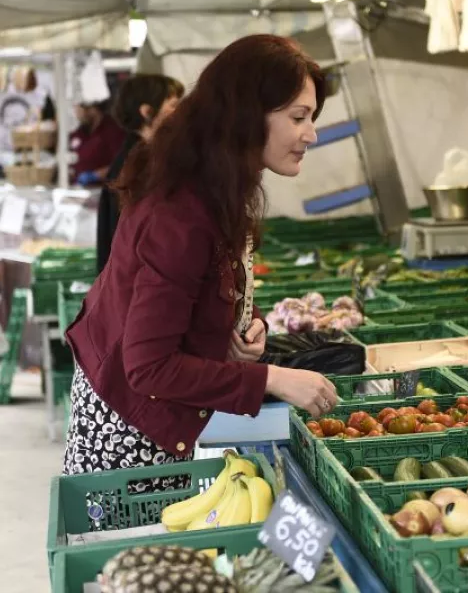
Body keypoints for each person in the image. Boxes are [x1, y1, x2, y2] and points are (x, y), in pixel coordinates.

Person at [63, 35, 338, 485]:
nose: (311, 133)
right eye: (298, 117)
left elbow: (208, 282)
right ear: (248, 117)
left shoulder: (217, 184)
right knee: (142, 553)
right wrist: (271, 377)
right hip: (129, 431)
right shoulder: (181, 214)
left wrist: (248, 324)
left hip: (153, 413)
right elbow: (148, 366)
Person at [96, 74, 185, 274]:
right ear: (147, 112)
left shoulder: (146, 156)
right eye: (173, 105)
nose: (181, 113)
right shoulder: (136, 166)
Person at [69, 99, 126, 186]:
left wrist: (95, 175)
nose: (77, 114)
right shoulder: (79, 132)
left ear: (92, 109)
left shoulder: (112, 131)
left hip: (103, 190)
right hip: (78, 190)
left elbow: (121, 165)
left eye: (79, 108)